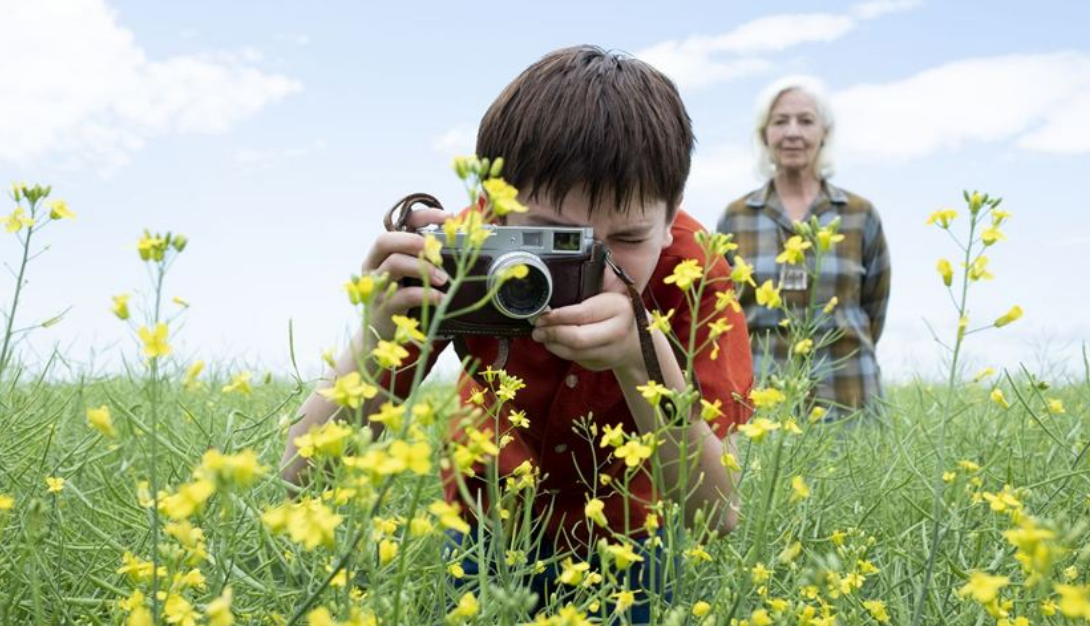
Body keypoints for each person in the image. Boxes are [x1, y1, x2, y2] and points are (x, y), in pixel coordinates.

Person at [282, 45, 754, 620]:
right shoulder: (459, 254)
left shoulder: (696, 270)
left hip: (633, 537)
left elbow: (717, 514)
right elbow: (303, 475)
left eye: (628, 240)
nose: (594, 270)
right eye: (553, 240)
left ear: (673, 209)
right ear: (493, 209)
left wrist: (642, 360)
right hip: (489, 529)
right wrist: (378, 327)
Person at [718, 76, 891, 416]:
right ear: (764, 135)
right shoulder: (735, 218)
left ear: (824, 132)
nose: (792, 132)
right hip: (762, 401)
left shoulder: (859, 215)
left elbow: (874, 311)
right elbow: (724, 308)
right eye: (780, 121)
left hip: (849, 395)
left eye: (806, 121)